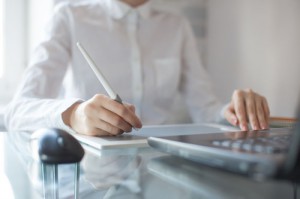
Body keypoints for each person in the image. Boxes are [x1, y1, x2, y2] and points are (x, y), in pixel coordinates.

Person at [4, 0, 270, 136]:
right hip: (87, 179)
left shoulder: (176, 26)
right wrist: (75, 114)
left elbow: (205, 107)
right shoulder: (68, 17)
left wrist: (233, 111)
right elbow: (17, 111)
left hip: (161, 172)